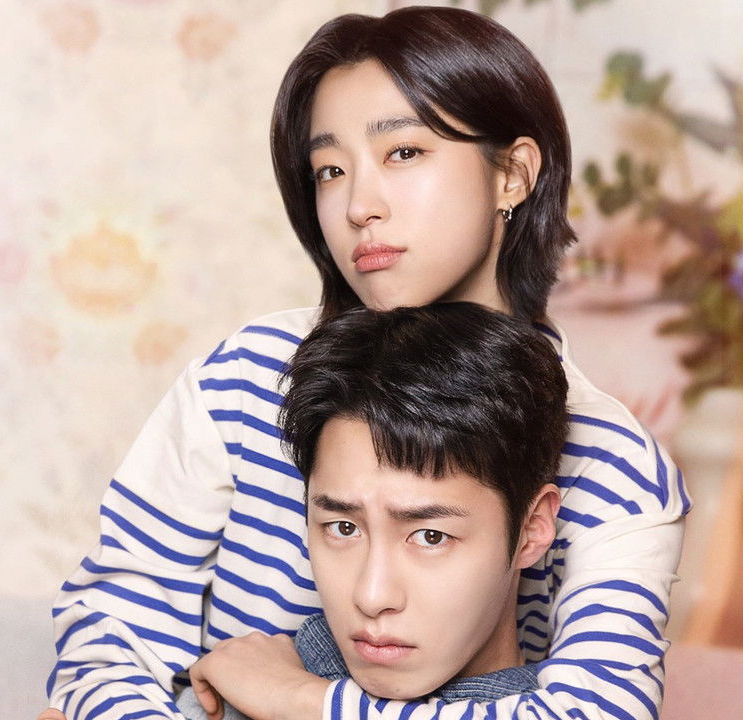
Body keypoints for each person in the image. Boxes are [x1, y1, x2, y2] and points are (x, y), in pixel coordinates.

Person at [41, 6, 688, 720]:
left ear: (512, 172)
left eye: (403, 153)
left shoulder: (610, 463)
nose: (358, 205)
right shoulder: (248, 379)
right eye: (330, 169)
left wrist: (301, 700)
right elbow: (110, 638)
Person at [178, 302, 568, 720]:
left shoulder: (578, 704)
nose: (372, 596)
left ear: (531, 529)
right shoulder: (237, 686)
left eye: (430, 536)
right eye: (344, 528)